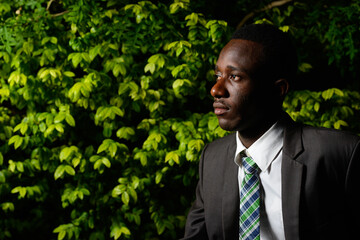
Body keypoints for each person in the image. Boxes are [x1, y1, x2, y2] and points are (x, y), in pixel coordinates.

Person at [182, 23, 360, 240]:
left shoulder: (340, 154)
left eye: (235, 77)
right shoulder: (212, 159)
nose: (216, 89)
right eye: (218, 75)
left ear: (278, 89)